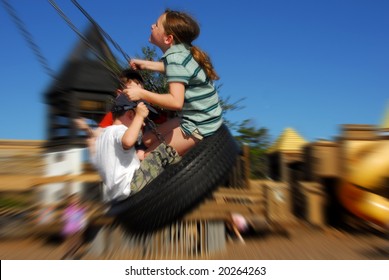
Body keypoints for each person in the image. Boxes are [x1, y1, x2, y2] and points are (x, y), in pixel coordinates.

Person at [125, 9, 223, 157]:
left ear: (168, 39)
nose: (152, 26)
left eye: (157, 25)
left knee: (145, 157)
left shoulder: (175, 58)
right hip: (199, 116)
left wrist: (141, 93)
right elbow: (176, 70)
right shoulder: (182, 52)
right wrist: (146, 65)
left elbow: (175, 102)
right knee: (146, 139)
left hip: (200, 124)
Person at [74, 69, 148, 160]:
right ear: (119, 93)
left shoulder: (147, 109)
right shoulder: (115, 115)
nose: (136, 96)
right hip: (126, 154)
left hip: (142, 147)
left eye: (140, 92)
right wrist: (87, 129)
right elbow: (98, 134)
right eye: (132, 91)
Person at [90, 94, 149, 202]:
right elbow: (128, 141)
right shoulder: (119, 129)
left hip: (114, 196)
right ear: (131, 114)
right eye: (142, 120)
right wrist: (140, 116)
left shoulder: (102, 137)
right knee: (166, 151)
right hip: (132, 185)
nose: (143, 124)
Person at [61, 193, 88, 260]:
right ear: (70, 201)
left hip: (78, 228)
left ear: (79, 200)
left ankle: (72, 254)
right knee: (70, 243)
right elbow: (64, 217)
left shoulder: (82, 208)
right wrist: (65, 217)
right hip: (70, 228)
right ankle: (69, 255)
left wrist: (83, 224)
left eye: (77, 199)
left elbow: (84, 217)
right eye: (73, 200)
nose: (75, 201)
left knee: (78, 243)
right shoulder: (69, 209)